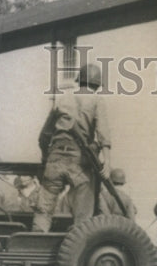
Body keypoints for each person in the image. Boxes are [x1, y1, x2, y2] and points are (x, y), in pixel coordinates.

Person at [33, 62, 109, 232]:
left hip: (55, 158)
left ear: (79, 80)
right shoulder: (97, 100)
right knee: (83, 217)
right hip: (79, 162)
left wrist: (46, 159)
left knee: (43, 210)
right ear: (97, 84)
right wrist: (108, 163)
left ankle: (35, 241)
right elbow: (103, 133)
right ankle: (78, 244)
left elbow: (44, 137)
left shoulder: (62, 99)